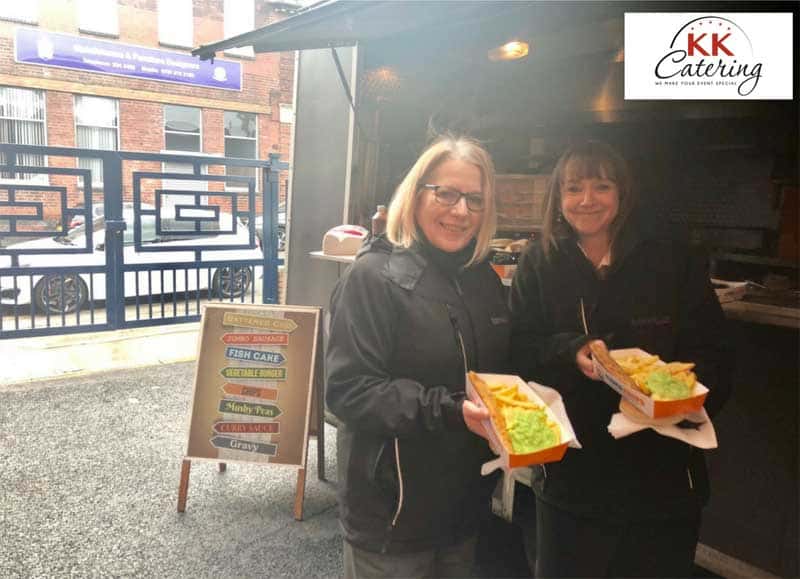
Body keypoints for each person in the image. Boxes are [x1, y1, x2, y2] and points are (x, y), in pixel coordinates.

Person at [509, 140, 731, 577]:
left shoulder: (672, 260)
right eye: (574, 188)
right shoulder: (538, 262)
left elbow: (717, 355)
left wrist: (674, 397)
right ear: (558, 197)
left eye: (601, 186)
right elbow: (520, 349)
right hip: (571, 479)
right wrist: (570, 351)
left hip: (661, 478)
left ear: (622, 194)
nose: (587, 199)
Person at [325, 135, 510, 578]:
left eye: (475, 199)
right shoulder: (372, 276)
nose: (460, 210)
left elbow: (497, 371)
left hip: (463, 507)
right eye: (445, 193)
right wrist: (448, 409)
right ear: (416, 193)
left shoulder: (483, 280)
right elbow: (349, 390)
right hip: (392, 514)